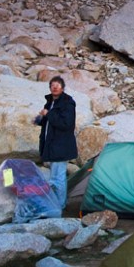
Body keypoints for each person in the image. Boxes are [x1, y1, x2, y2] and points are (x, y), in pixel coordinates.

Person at [33, 76, 78, 212]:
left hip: (61, 145)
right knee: (55, 176)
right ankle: (57, 203)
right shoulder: (50, 102)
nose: (55, 87)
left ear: (63, 88)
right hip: (52, 145)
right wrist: (39, 119)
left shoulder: (68, 102)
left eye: (58, 85)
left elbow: (66, 124)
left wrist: (49, 114)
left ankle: (59, 205)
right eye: (52, 85)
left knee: (58, 178)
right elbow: (48, 121)